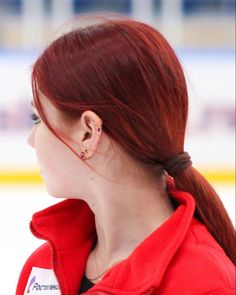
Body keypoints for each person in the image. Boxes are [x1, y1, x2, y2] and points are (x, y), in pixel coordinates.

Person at [16, 16, 235, 295]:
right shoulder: (44, 267)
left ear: (88, 132)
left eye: (38, 119)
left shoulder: (204, 285)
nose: (31, 140)